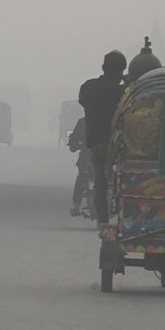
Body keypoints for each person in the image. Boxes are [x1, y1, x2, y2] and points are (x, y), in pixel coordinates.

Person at [78, 50, 127, 226]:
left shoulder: (88, 87)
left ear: (103, 67)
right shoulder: (123, 91)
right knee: (124, 181)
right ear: (122, 71)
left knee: (100, 183)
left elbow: (83, 101)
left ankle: (102, 220)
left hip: (95, 143)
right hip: (119, 145)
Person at [67, 117, 93, 217]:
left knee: (81, 178)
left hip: (87, 158)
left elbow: (73, 143)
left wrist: (73, 145)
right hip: (102, 158)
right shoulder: (108, 120)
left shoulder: (83, 122)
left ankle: (76, 205)